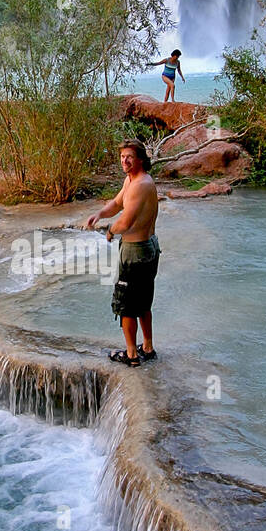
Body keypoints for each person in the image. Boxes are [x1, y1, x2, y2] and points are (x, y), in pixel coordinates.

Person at [85, 140, 160, 367]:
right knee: (143, 302)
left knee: (126, 305)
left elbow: (125, 222)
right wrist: (99, 214)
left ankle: (131, 355)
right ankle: (147, 348)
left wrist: (110, 231)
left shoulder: (140, 185)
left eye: (129, 157)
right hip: (148, 247)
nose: (124, 161)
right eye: (122, 157)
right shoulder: (133, 180)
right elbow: (118, 203)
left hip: (135, 251)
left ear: (140, 160)